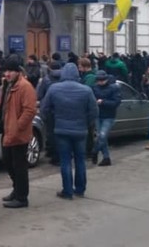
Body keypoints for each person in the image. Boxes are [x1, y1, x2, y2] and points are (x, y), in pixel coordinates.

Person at [40, 63, 98, 200]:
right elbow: (94, 111)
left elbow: (44, 109)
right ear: (77, 74)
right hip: (80, 130)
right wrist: (86, 123)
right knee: (80, 160)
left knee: (65, 160)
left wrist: (52, 121)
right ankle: (80, 189)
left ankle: (67, 191)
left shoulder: (54, 89)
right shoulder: (86, 90)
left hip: (61, 129)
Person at [0, 55, 37, 209]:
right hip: (7, 129)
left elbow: (29, 110)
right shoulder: (7, 85)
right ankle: (16, 189)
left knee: (19, 166)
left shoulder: (25, 87)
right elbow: (1, 105)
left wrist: (18, 126)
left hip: (18, 133)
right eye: (6, 71)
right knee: (8, 162)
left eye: (10, 71)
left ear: (18, 71)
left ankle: (22, 197)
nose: (7, 74)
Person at [90, 70, 121, 166]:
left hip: (109, 116)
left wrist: (103, 102)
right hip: (98, 115)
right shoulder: (94, 88)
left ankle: (95, 151)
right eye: (99, 80)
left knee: (102, 136)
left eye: (102, 80)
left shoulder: (113, 88)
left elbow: (116, 102)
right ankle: (106, 157)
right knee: (102, 137)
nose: (100, 82)